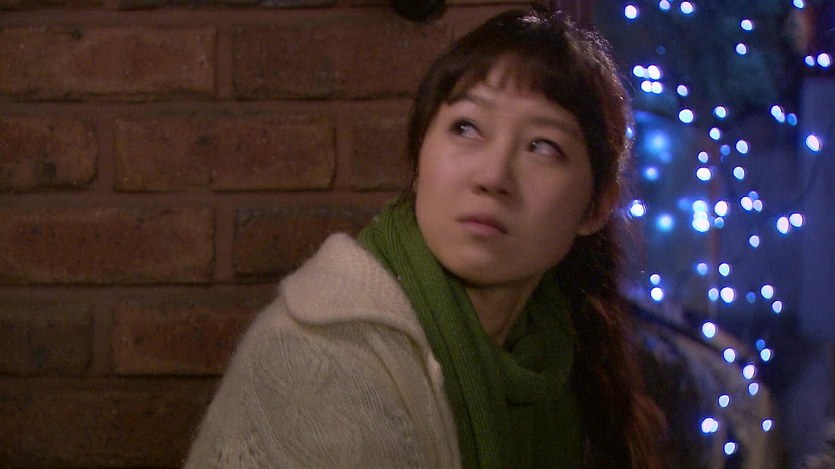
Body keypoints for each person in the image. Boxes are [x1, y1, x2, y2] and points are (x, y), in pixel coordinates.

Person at [185, 6, 665, 468]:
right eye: (466, 128)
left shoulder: (560, 358)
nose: (493, 176)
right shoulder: (321, 358)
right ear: (418, 159)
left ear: (596, 206)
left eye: (543, 146)